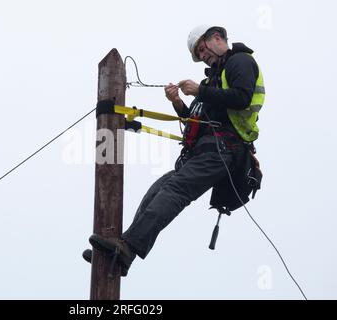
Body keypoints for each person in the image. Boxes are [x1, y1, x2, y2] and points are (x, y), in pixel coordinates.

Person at [84, 25, 265, 276]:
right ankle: (125, 251)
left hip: (224, 150)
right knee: (158, 189)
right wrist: (179, 103)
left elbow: (242, 97)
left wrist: (200, 91)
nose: (202, 55)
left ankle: (128, 246)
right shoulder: (213, 79)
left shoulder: (240, 61)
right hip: (205, 151)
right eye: (199, 53)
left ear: (216, 38)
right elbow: (197, 122)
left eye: (202, 49)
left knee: (175, 190)